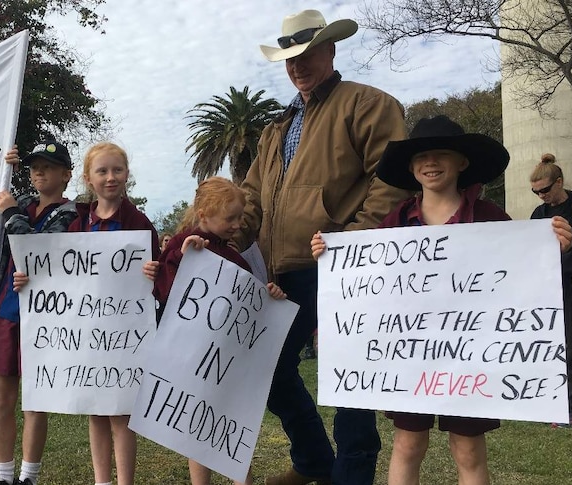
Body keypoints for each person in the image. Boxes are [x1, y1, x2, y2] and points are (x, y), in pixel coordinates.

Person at [312, 115, 572, 485]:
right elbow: (364, 281)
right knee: (406, 445)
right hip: (409, 358)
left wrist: (553, 249)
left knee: (468, 450)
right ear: (411, 167)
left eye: (441, 154)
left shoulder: (489, 218)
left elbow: (522, 272)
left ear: (462, 162)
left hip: (471, 358)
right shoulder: (396, 222)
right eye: (421, 156)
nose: (430, 163)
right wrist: (329, 253)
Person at [233, 9, 411, 485]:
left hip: (344, 265)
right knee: (269, 370)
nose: (298, 65)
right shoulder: (276, 128)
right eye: (290, 58)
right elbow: (251, 199)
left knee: (350, 379)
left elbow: (393, 178)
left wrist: (351, 241)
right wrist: (219, 240)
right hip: (283, 271)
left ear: (331, 50)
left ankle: (350, 476)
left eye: (307, 54)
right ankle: (314, 462)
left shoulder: (368, 105)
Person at [14, 142, 158, 485]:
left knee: (121, 415)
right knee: (96, 411)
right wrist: (28, 279)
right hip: (88, 337)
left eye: (117, 170)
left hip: (122, 338)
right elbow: (53, 270)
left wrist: (156, 271)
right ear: (88, 179)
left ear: (127, 176)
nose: (111, 177)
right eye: (102, 171)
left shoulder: (138, 223)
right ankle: (101, 481)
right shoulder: (78, 223)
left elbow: (162, 272)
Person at [149, 177, 287, 485]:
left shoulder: (238, 258)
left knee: (231, 424)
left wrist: (271, 296)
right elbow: (165, 295)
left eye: (240, 217)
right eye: (231, 218)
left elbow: (252, 309)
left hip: (227, 362)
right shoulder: (180, 245)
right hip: (191, 360)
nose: (238, 224)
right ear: (204, 214)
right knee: (195, 427)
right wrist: (183, 257)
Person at [0, 137, 79, 485]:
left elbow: (34, 250)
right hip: (7, 311)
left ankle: (29, 476)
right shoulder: (20, 202)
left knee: (36, 399)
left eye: (48, 167)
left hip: (46, 318)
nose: (39, 172)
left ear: (67, 175)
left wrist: (9, 213)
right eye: (35, 166)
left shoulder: (71, 214)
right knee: (2, 395)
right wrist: (2, 168)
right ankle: (2, 474)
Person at [529, 153, 572, 428]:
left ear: (559, 182)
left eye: (545, 190)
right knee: (552, 346)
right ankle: (554, 403)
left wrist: (568, 252)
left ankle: (571, 410)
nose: (541, 196)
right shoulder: (539, 214)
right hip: (548, 288)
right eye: (535, 192)